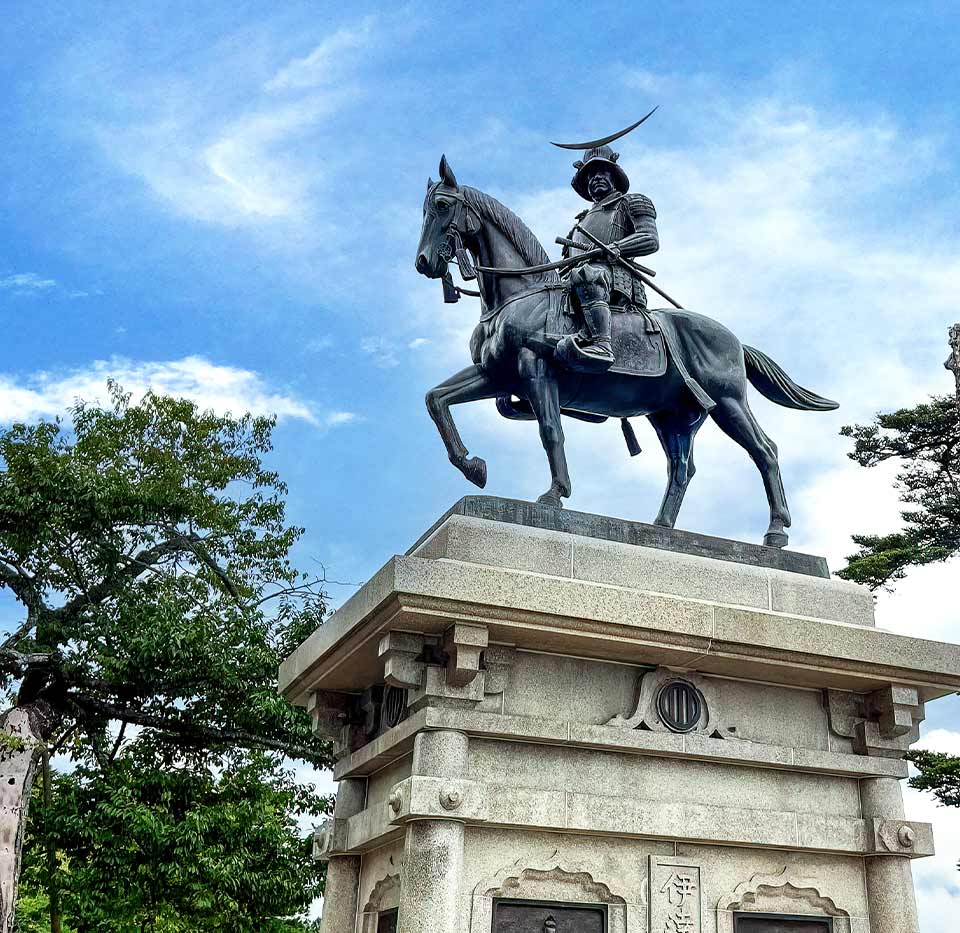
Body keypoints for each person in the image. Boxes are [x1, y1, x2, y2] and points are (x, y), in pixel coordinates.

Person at [559, 143, 659, 367]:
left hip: (614, 278)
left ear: (613, 174)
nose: (595, 178)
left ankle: (603, 344)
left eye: (601, 171)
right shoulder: (579, 223)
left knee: (588, 274)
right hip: (575, 282)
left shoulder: (631, 202)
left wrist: (618, 248)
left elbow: (650, 239)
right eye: (590, 174)